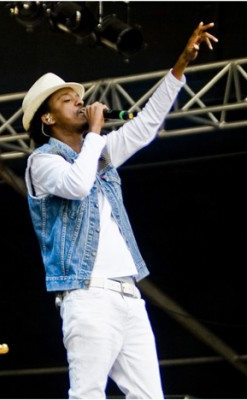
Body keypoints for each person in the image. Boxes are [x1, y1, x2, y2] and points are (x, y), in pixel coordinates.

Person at [22, 22, 218, 399]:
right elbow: (78, 185)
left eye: (79, 98)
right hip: (87, 296)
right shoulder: (42, 163)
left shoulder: (99, 154)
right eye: (67, 100)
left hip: (128, 295)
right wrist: (94, 132)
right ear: (47, 119)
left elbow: (145, 127)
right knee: (89, 394)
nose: (80, 103)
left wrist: (179, 67)